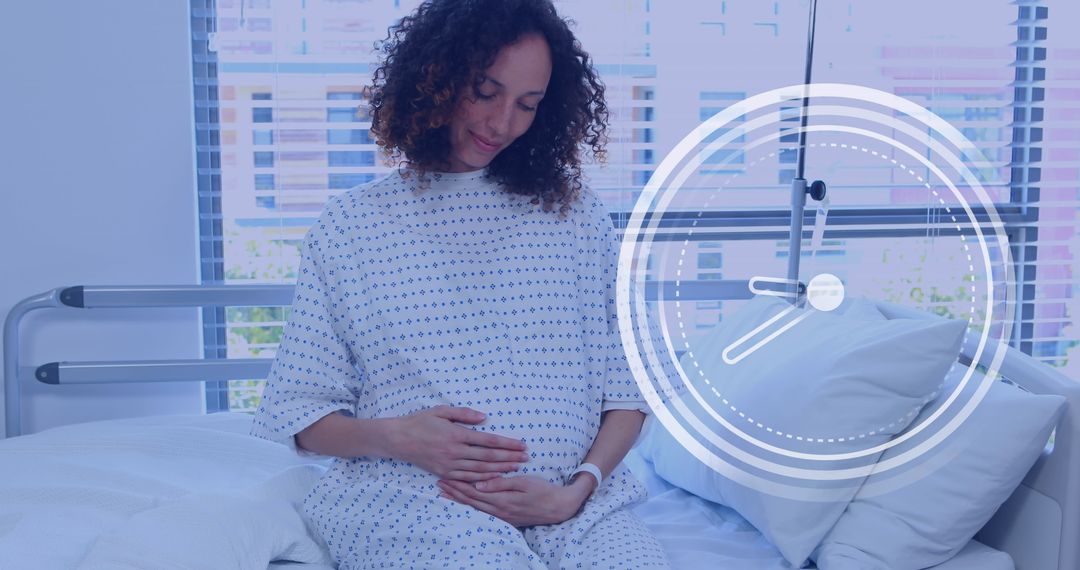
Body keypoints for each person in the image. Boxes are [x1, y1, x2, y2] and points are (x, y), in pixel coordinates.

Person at [252, 0, 670, 568]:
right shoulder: (352, 227)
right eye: (485, 91)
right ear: (436, 79)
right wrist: (400, 439)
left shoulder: (577, 218)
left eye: (528, 104)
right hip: (413, 500)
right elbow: (296, 413)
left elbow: (628, 395)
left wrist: (577, 490)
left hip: (572, 507)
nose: (502, 123)